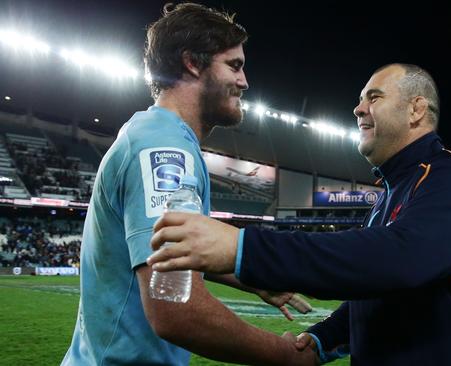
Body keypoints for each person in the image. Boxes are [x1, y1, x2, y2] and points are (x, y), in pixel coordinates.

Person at [147, 63, 451, 365]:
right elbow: (379, 293)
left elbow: (397, 261)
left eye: (374, 97)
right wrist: (323, 340)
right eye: (360, 100)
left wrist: (244, 247)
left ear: (416, 110)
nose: (358, 109)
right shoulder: (391, 195)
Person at [61, 4, 314, 365]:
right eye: (234, 65)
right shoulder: (164, 150)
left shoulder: (154, 134)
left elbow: (167, 252)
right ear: (192, 63)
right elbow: (173, 308)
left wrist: (251, 279)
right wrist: (283, 355)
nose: (245, 82)